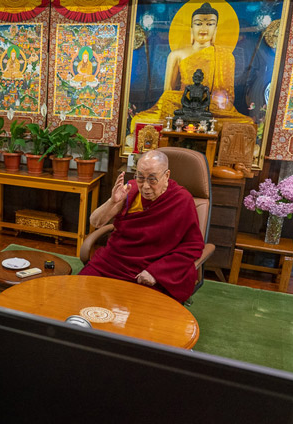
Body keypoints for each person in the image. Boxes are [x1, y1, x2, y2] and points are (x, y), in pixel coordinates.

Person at [78, 150, 204, 303]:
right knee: (80, 294)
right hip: (114, 262)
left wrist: (156, 272)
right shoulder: (131, 191)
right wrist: (112, 201)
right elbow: (95, 222)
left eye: (152, 180)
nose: (145, 186)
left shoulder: (182, 200)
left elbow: (193, 246)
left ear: (166, 176)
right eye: (140, 178)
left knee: (139, 314)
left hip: (149, 270)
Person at [129, 2, 253, 132]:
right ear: (191, 28)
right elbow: (168, 93)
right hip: (182, 107)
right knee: (139, 119)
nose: (204, 28)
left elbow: (227, 97)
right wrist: (185, 102)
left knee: (246, 123)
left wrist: (209, 103)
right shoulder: (176, 54)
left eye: (210, 24)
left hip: (212, 111)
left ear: (216, 29)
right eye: (198, 23)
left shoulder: (226, 56)